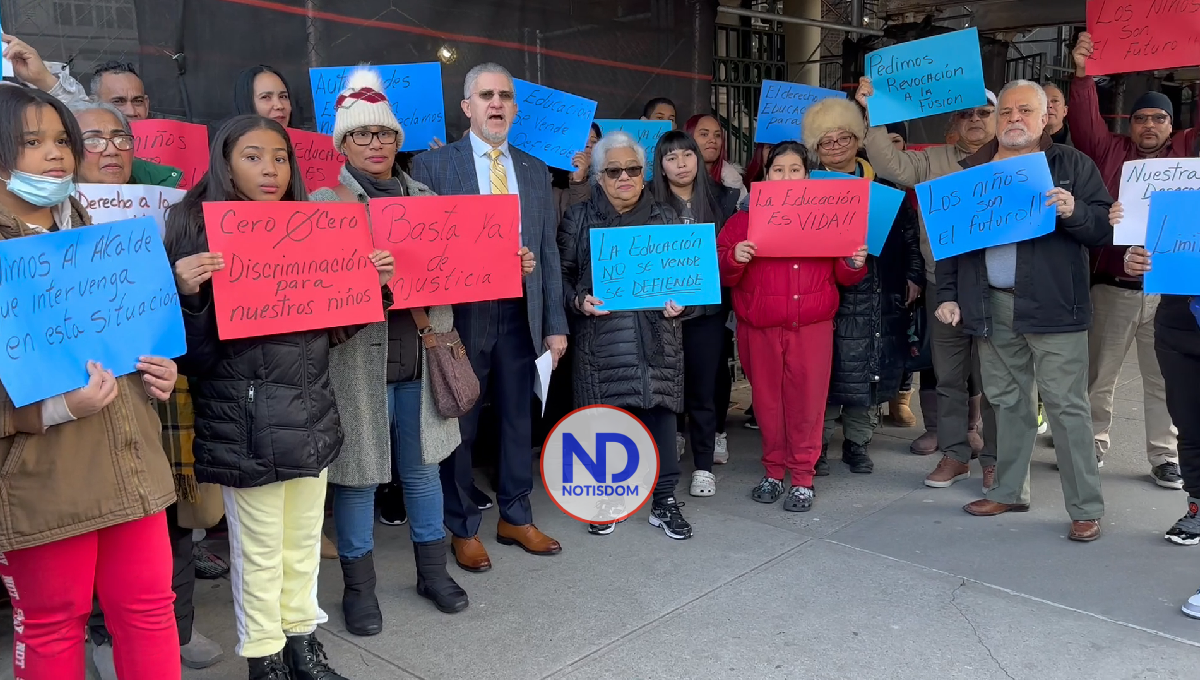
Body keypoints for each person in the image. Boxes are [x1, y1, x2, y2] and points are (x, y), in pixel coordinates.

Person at [165, 114, 393, 679]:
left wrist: (370, 288)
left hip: (310, 412)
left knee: (301, 544)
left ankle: (303, 647)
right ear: (224, 163)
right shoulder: (195, 230)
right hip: (247, 422)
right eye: (252, 156)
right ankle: (264, 660)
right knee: (260, 551)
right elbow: (192, 360)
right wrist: (188, 296)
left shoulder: (309, 227)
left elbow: (333, 332)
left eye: (280, 157)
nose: (270, 168)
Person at [0, 85, 182, 680]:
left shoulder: (104, 242)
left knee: (152, 614)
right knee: (54, 627)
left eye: (61, 141)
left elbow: (132, 345)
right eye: (32, 143)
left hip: (133, 466)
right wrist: (55, 409)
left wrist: (159, 370)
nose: (55, 154)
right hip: (45, 479)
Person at [308, 67, 470, 631]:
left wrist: (500, 264)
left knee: (423, 471)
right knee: (358, 478)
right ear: (342, 144)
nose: (374, 144)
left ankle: (431, 571)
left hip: (421, 358)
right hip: (357, 367)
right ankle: (360, 589)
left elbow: (458, 270)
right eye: (361, 135)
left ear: (398, 141)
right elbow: (314, 294)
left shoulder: (428, 198)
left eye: (383, 134)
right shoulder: (322, 203)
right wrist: (366, 278)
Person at [67, 99, 224, 675]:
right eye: (92, 138)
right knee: (102, 517)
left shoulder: (165, 209)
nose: (110, 149)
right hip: (82, 397)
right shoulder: (50, 221)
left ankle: (174, 627)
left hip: (157, 385)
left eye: (120, 138)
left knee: (166, 509)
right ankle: (104, 634)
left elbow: (178, 307)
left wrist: (180, 285)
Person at [935, 80, 1113, 542]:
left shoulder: (1072, 165)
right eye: (1007, 111)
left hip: (1056, 308)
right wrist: (949, 295)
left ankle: (1085, 508)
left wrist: (1074, 211)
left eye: (1025, 111)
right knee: (1007, 403)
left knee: (1067, 408)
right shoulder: (973, 169)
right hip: (992, 306)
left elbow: (1101, 230)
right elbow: (952, 246)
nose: (1014, 118)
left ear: (1045, 117)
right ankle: (1010, 490)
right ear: (996, 120)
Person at [410, 62, 568, 573]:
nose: (495, 104)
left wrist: (555, 325)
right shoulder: (434, 168)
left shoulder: (533, 169)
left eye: (504, 96)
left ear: (515, 108)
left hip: (522, 310)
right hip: (462, 315)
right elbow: (425, 247)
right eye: (485, 96)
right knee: (462, 419)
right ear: (467, 107)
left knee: (518, 417)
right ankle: (462, 526)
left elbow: (545, 252)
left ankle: (515, 516)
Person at [855, 76, 997, 481]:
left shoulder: (1014, 160)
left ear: (998, 119)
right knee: (950, 374)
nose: (975, 120)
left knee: (995, 380)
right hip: (944, 283)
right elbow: (887, 163)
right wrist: (874, 112)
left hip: (1001, 287)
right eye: (966, 113)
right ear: (953, 122)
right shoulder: (933, 159)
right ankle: (953, 453)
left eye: (984, 113)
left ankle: (993, 460)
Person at [1068, 33, 1193, 488]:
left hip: (1169, 290)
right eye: (1141, 118)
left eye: (1159, 119)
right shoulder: (1111, 152)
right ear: (1130, 123)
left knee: (1164, 380)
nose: (1149, 126)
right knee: (1100, 376)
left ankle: (1164, 455)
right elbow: (1085, 125)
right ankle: (1092, 444)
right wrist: (1082, 77)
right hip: (1113, 288)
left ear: (1172, 124)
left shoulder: (1187, 153)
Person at [719, 140, 868, 511]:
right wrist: (734, 257)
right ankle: (773, 471)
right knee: (768, 405)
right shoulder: (742, 219)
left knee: (808, 405)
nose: (786, 177)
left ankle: (802, 477)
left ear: (807, 174)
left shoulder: (826, 216)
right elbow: (720, 271)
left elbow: (845, 275)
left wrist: (852, 262)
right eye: (778, 170)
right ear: (765, 176)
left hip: (812, 328)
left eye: (795, 170)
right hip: (760, 328)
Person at [558, 131, 693, 537]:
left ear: (644, 174)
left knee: (660, 415)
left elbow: (685, 281)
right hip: (602, 341)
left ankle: (664, 499)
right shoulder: (578, 217)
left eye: (632, 170)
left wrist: (681, 303)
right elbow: (561, 277)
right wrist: (578, 300)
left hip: (656, 337)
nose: (624, 178)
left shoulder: (666, 218)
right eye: (613, 171)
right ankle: (610, 497)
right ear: (599, 177)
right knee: (607, 420)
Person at [802, 97, 925, 475]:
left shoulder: (886, 186)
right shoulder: (804, 188)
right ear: (816, 147)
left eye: (844, 138)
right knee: (826, 371)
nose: (836, 147)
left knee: (869, 371)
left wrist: (914, 275)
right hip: (826, 291)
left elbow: (909, 237)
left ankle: (857, 443)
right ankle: (817, 446)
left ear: (858, 139)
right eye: (827, 141)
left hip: (878, 288)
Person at [650, 130, 739, 493]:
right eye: (671, 158)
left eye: (687, 155)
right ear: (661, 166)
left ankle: (703, 466)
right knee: (667, 389)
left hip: (707, 312)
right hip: (662, 312)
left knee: (703, 388)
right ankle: (670, 450)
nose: (681, 163)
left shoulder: (724, 199)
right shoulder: (647, 203)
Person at [880, 121, 928, 430]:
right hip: (870, 275)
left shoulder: (916, 184)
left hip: (903, 275)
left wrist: (914, 275)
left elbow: (915, 239)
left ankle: (900, 399)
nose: (888, 149)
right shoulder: (864, 180)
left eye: (895, 141)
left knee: (905, 339)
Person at [685, 113, 746, 200]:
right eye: (704, 134)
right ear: (688, 137)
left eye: (717, 135)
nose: (713, 140)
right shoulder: (677, 178)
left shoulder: (733, 181)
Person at [1043, 83, 1071, 147]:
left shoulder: (1079, 142)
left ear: (1065, 111)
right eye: (1043, 101)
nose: (1049, 106)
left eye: (1055, 101)